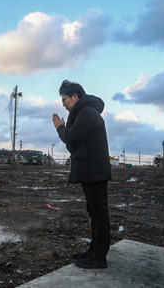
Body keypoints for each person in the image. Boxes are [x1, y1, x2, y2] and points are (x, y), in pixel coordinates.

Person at [52, 80, 112, 269]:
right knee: (95, 213)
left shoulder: (86, 113)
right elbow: (72, 143)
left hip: (94, 171)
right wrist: (66, 132)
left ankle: (99, 257)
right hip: (91, 171)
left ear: (76, 96)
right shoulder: (82, 113)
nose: (63, 103)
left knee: (99, 214)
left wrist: (60, 128)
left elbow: (71, 138)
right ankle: (94, 252)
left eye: (65, 99)